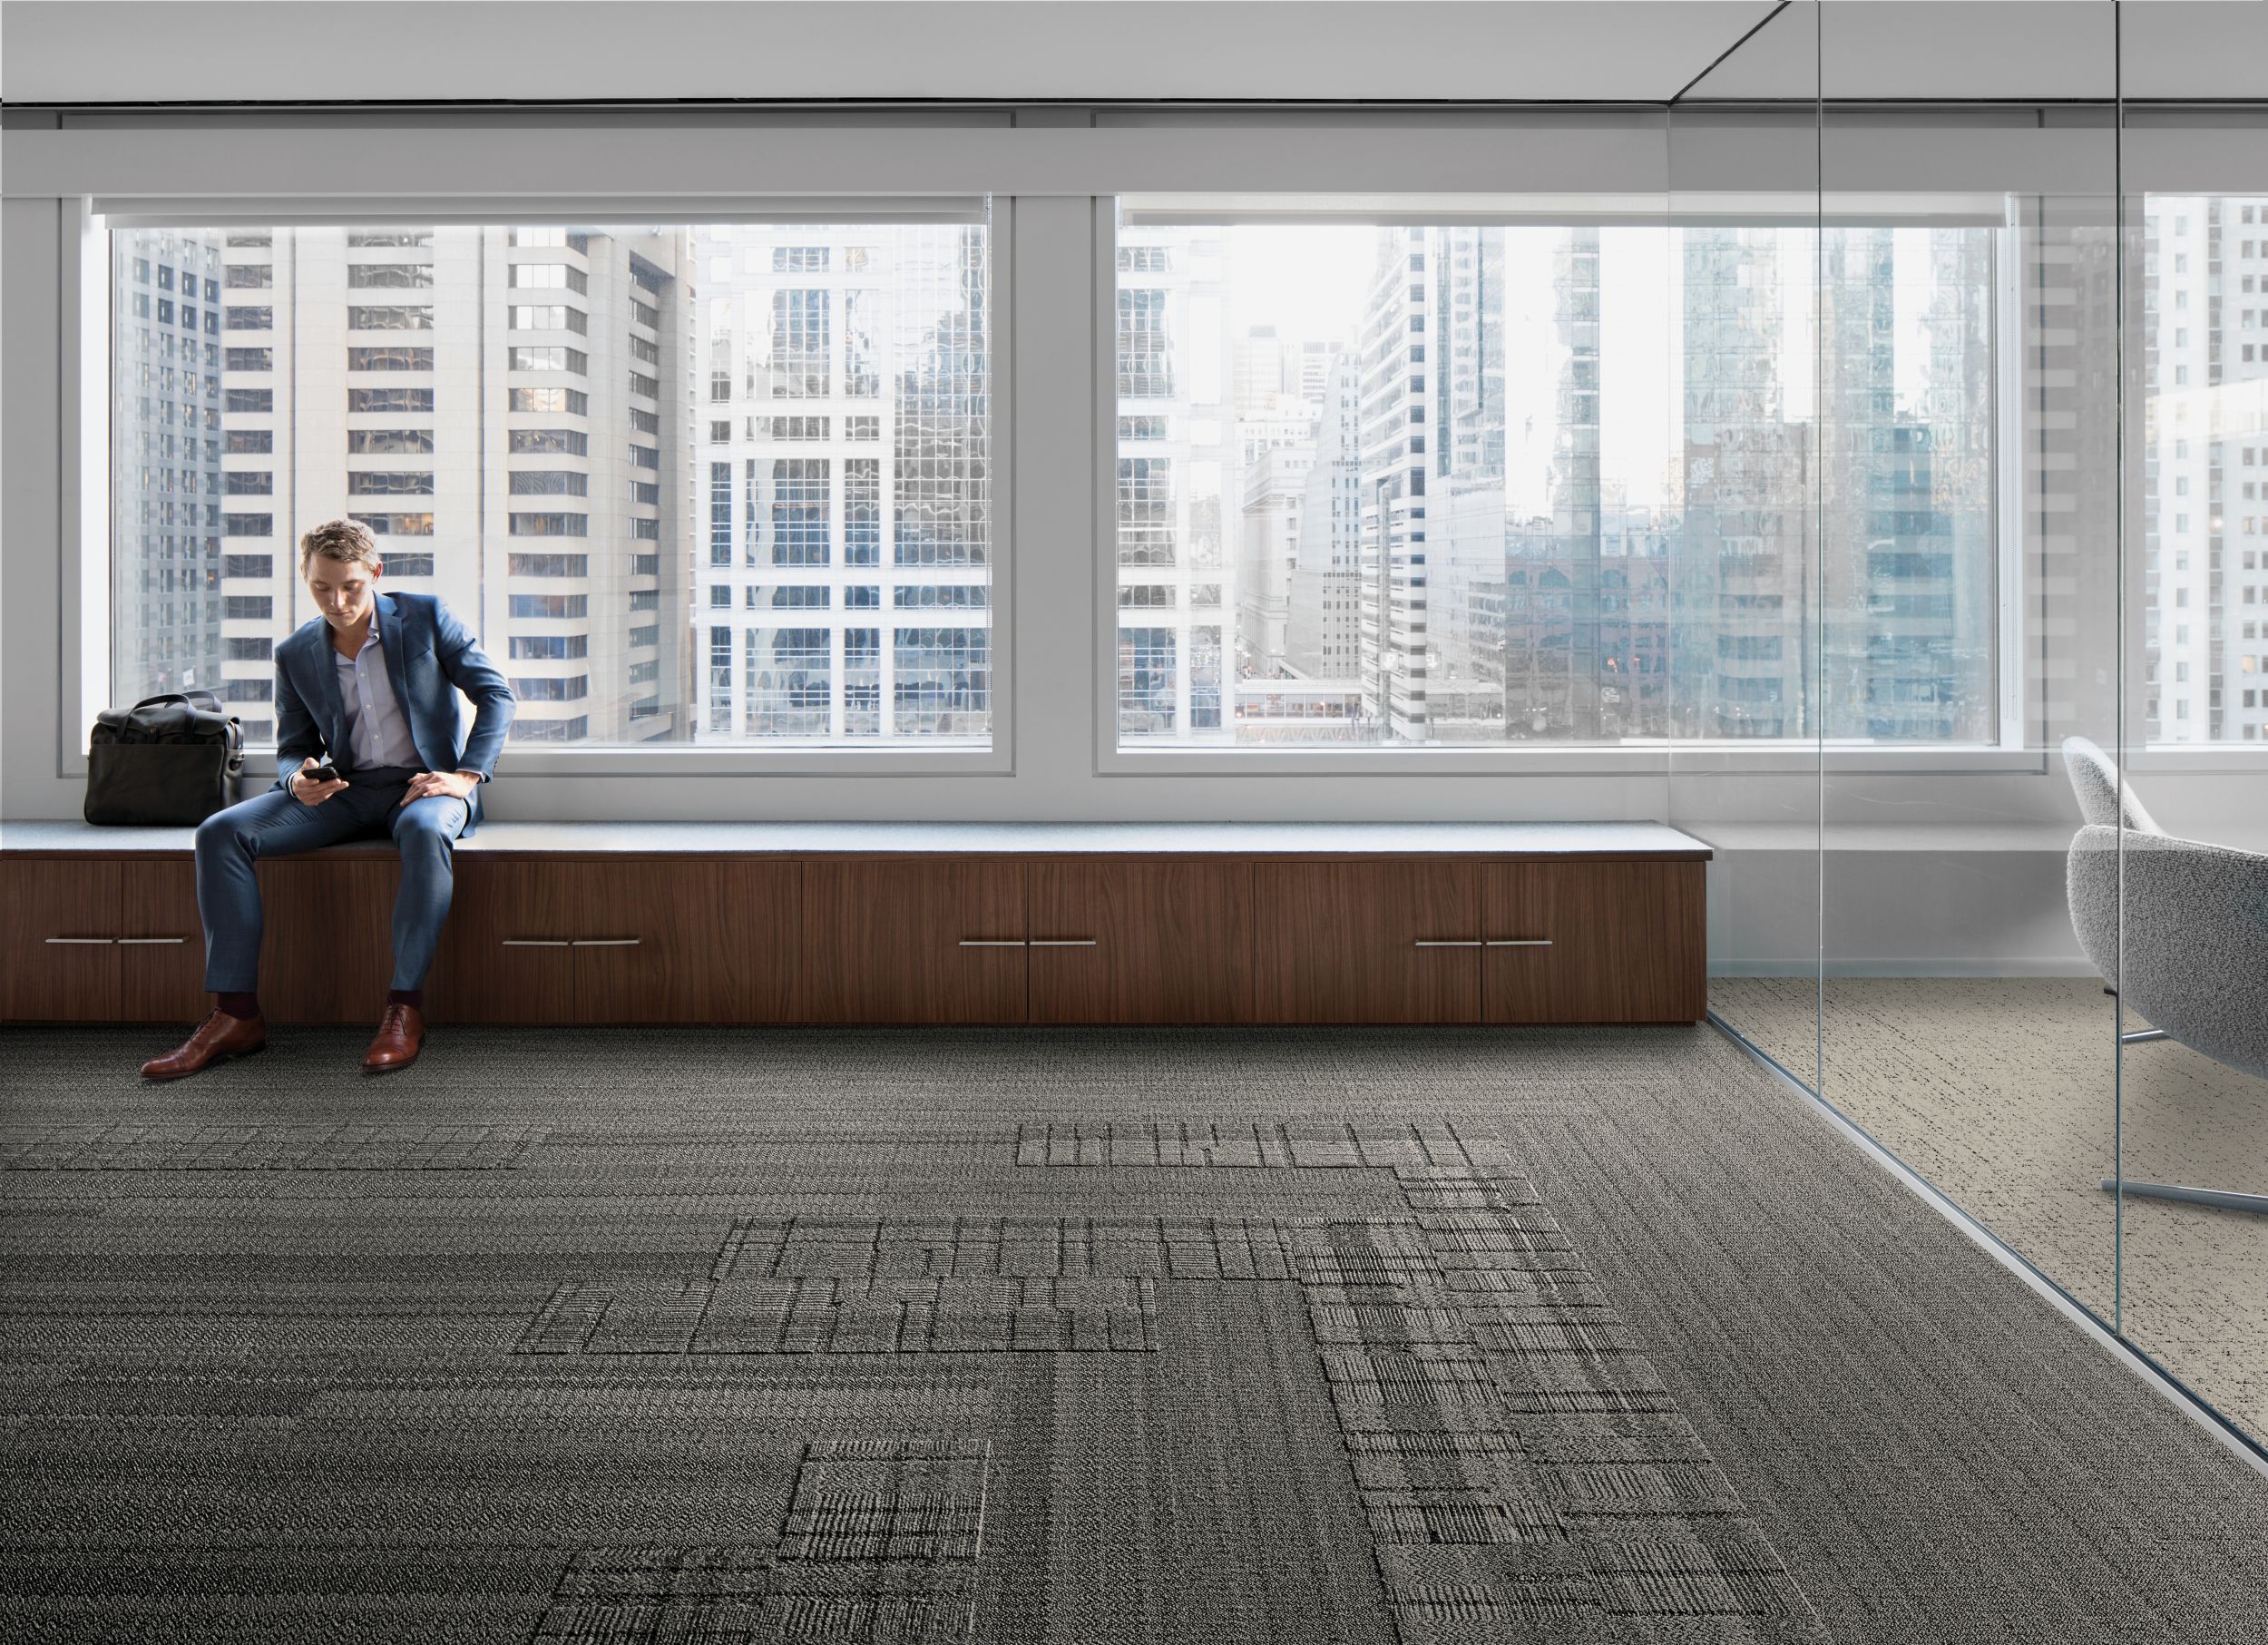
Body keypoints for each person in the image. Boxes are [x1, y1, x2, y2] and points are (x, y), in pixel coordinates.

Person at [141, 519, 516, 1080]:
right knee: (220, 832)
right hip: (344, 793)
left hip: (424, 788)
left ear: (375, 574)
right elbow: (294, 747)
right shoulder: (294, 653)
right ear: (305, 578)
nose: (337, 602)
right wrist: (298, 778)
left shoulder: (426, 618)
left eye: (350, 587)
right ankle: (235, 1015)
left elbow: (496, 694)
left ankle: (404, 1010)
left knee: (423, 829)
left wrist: (465, 776)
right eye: (321, 587)